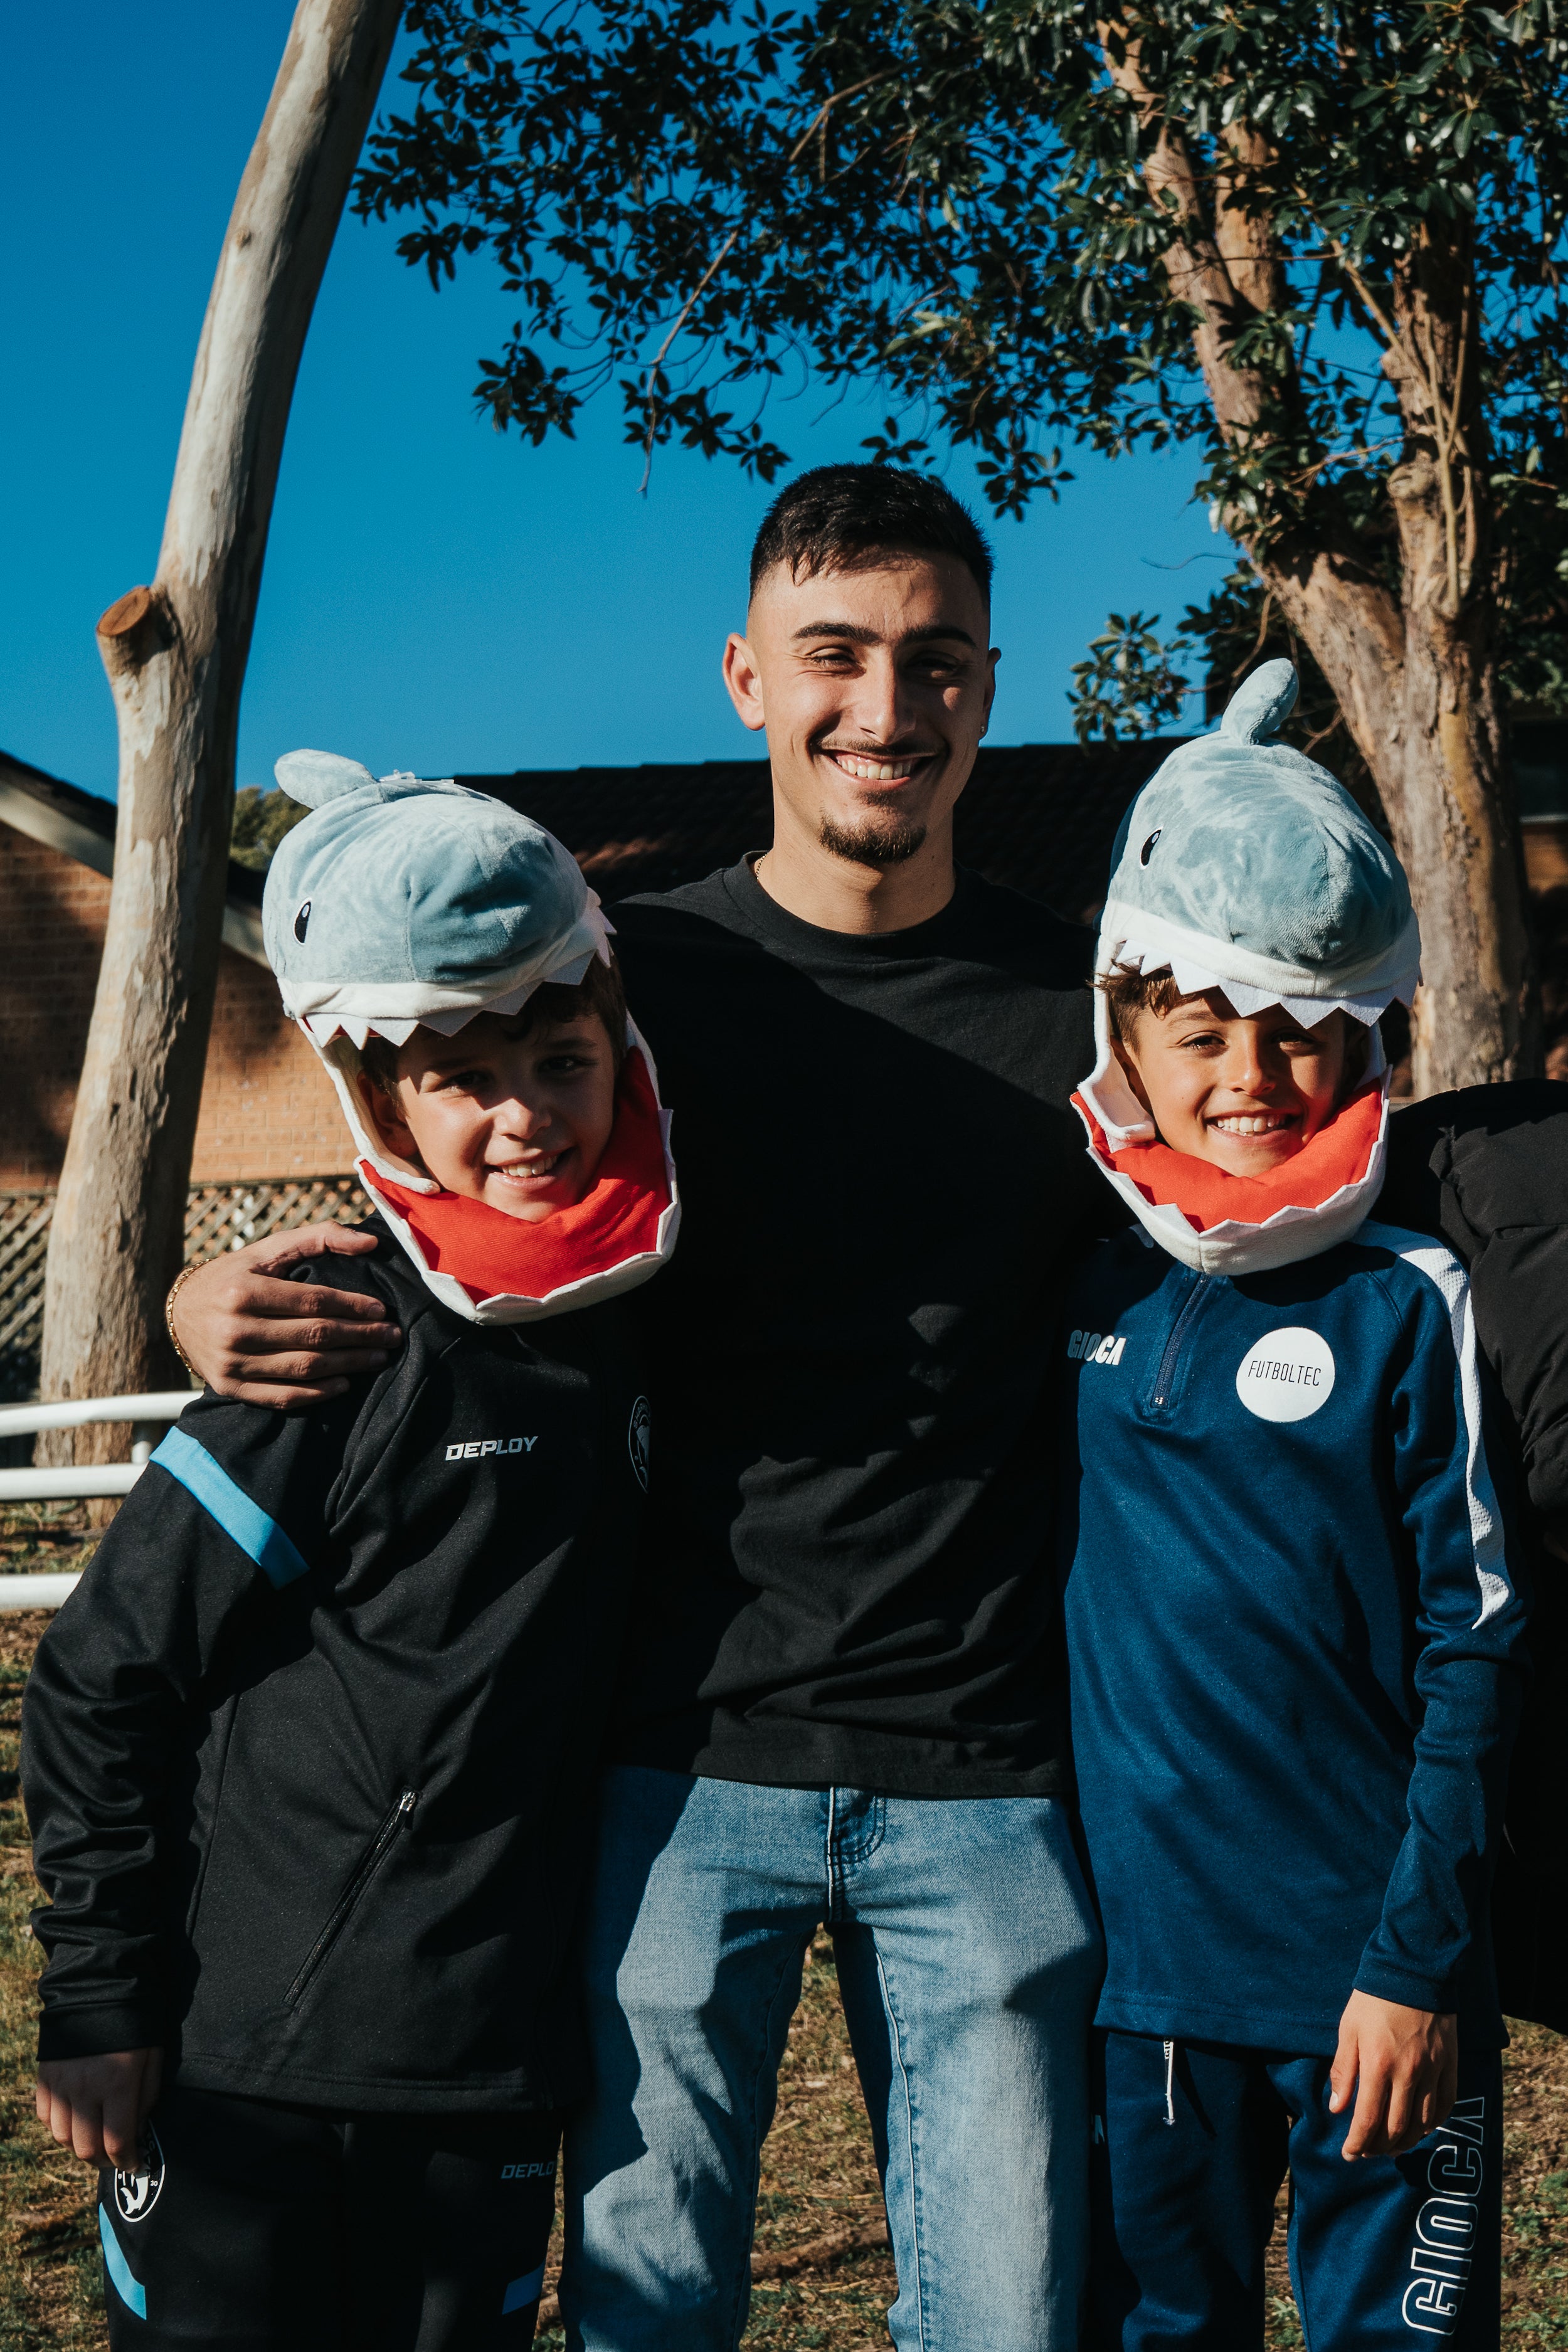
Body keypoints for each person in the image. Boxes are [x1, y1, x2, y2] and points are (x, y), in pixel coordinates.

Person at [164, 466, 1568, 2352]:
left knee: (1003, 2323)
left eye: (930, 661)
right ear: (748, 675)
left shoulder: (1086, 1012)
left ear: (989, 683)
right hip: (677, 1767)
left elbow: (1327, 1167)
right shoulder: (636, 982)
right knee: (647, 2318)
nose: (883, 707)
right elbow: (454, 1166)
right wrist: (208, 1292)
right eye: (834, 657)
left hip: (989, 1781)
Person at [22, 755, 677, 2351]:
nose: (522, 1111)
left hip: (499, 2064)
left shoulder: (668, 1326)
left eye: (559, 1056)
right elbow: (102, 1674)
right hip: (249, 2057)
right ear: (379, 1098)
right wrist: (102, 2002)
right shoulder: (330, 1346)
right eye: (461, 1079)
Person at [1059, 661, 1526, 2349]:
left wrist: (1411, 1964)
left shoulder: (1410, 1295)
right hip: (1144, 2002)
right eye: (1198, 1029)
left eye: (1293, 1028)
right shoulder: (1082, 1280)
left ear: (1362, 1024)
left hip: (1378, 1994)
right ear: (1126, 1028)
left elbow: (1471, 1644)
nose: (1245, 1071)